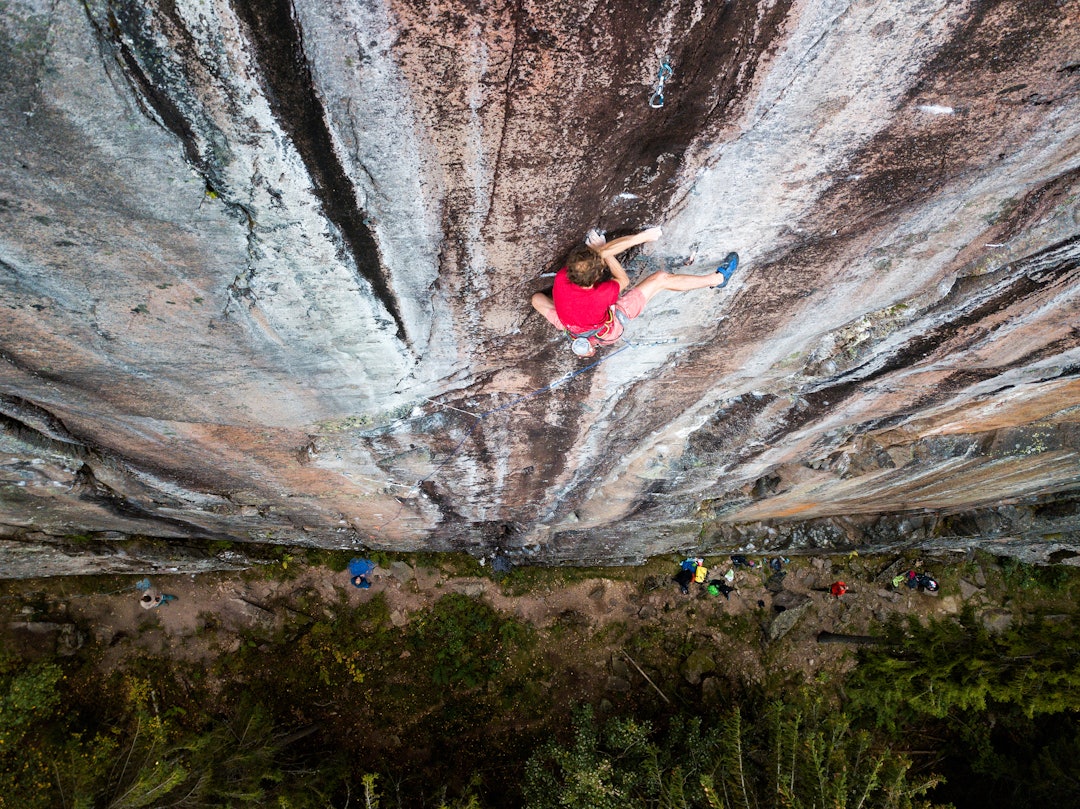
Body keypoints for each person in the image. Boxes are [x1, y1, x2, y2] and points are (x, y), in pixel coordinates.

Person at [531, 227, 739, 356]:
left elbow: (596, 256)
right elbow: (622, 279)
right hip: (608, 330)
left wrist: (606, 250)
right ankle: (718, 279)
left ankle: (586, 343)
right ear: (596, 277)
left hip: (575, 329)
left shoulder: (562, 278)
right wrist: (636, 240)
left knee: (537, 299)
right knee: (660, 279)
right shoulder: (601, 293)